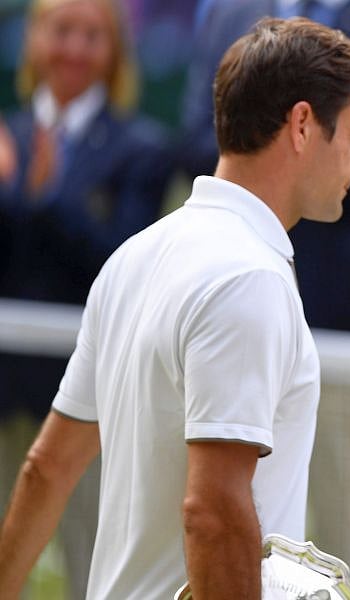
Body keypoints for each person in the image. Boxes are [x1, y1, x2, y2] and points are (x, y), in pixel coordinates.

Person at [0, 17, 350, 599]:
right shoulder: (249, 277)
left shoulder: (134, 256)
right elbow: (211, 511)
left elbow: (45, 469)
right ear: (303, 124)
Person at [0, 0, 172, 595]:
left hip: (93, 397)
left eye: (92, 35)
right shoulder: (10, 135)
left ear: (115, 51)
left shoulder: (140, 148)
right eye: (62, 31)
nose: (74, 48)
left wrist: (42, 196)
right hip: (4, 384)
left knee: (94, 563)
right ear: (34, 40)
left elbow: (119, 260)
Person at [181, 0, 350, 337]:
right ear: (301, 124)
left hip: (348, 296)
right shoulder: (228, 16)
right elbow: (196, 141)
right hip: (229, 269)